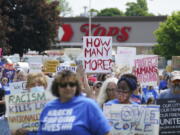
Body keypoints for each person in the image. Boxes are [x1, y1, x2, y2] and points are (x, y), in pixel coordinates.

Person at [37, 70, 112, 135]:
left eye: (72, 84)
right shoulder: (48, 107)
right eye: (63, 85)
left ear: (77, 86)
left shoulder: (88, 105)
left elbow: (106, 132)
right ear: (57, 87)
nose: (68, 87)